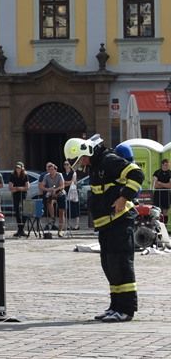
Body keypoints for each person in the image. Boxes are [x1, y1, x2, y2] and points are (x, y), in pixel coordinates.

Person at [65, 134, 145, 322]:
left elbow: (136, 174)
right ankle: (115, 306)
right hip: (106, 225)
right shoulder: (96, 165)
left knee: (121, 264)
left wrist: (123, 197)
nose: (81, 164)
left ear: (86, 152)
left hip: (120, 220)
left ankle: (126, 309)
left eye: (81, 160)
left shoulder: (108, 160)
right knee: (110, 265)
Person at [40, 162, 66, 236]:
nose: (51, 171)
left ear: (55, 170)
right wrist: (49, 189)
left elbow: (62, 186)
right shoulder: (46, 176)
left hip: (60, 192)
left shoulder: (59, 175)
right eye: (49, 169)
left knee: (61, 212)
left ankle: (60, 230)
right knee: (48, 200)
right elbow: (42, 186)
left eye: (52, 169)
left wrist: (55, 189)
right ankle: (52, 216)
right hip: (51, 192)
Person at [9, 162, 30, 237]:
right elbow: (10, 187)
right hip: (15, 195)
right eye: (17, 168)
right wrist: (21, 188)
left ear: (22, 168)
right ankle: (20, 229)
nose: (18, 169)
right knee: (17, 212)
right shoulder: (12, 175)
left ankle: (21, 229)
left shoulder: (25, 175)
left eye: (19, 168)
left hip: (23, 195)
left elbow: (27, 187)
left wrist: (17, 188)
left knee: (25, 212)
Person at [63, 159, 80, 231]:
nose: (66, 166)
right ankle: (68, 225)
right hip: (65, 192)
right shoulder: (63, 174)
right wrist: (67, 183)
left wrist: (66, 183)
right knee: (67, 209)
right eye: (65, 164)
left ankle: (77, 225)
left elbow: (73, 181)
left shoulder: (74, 173)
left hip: (72, 192)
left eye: (67, 164)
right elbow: (62, 182)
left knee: (75, 209)